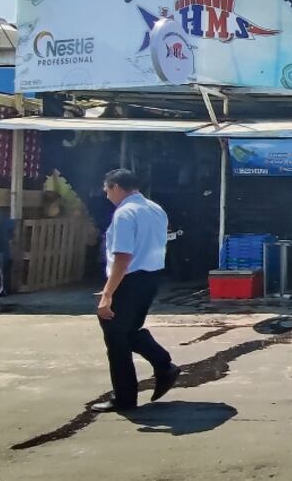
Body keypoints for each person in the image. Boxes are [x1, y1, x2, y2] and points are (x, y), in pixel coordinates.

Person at [91, 168, 181, 413]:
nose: (107, 195)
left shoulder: (125, 213)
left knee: (116, 337)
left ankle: (125, 397)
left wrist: (107, 294)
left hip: (130, 279)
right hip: (151, 278)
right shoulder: (155, 208)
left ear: (116, 187)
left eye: (107, 190)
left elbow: (123, 256)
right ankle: (163, 365)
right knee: (129, 330)